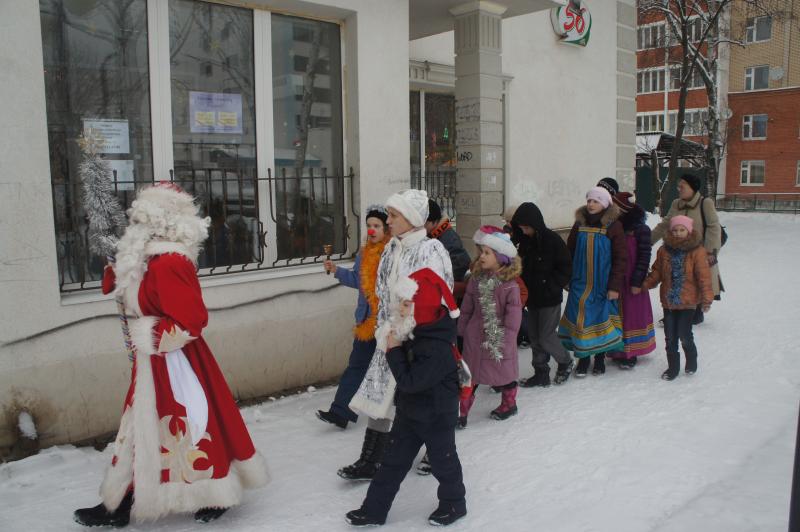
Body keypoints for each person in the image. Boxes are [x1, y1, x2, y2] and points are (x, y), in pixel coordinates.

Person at [74, 183, 268, 528]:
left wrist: (148, 333)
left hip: (176, 362)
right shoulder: (144, 258)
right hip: (150, 362)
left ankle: (212, 491)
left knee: (189, 424)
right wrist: (114, 262)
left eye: (141, 217)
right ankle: (122, 500)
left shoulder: (169, 263)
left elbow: (192, 321)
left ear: (160, 220)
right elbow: (120, 288)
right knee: (140, 427)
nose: (135, 223)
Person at [340, 189, 453, 481]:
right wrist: (385, 330)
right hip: (390, 337)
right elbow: (381, 292)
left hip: (420, 341)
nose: (388, 221)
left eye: (393, 215)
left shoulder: (432, 250)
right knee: (381, 397)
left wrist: (410, 331)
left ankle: (436, 453)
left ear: (412, 218)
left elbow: (438, 298)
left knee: (420, 400)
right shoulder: (391, 249)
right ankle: (370, 459)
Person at [345, 269, 466, 527]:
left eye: (406, 304)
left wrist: (395, 350)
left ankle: (454, 503)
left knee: (444, 463)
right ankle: (373, 510)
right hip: (410, 411)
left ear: (423, 308)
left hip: (436, 415)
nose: (400, 308)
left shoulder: (436, 346)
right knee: (392, 462)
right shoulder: (414, 330)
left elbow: (411, 381)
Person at [317, 206, 390, 429]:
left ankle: (398, 414)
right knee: (356, 366)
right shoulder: (364, 253)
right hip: (365, 322)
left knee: (390, 372)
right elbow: (359, 281)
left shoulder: (392, 253)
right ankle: (340, 411)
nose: (371, 230)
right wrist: (337, 270)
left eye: (376, 226)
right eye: (369, 225)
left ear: (386, 229)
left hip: (386, 323)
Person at [558, 186, 626, 377]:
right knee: (581, 319)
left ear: (604, 204)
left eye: (596, 201)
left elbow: (621, 258)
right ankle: (583, 357)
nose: (591, 204)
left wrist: (614, 286)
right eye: (589, 200)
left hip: (601, 284)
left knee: (599, 319)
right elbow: (569, 252)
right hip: (580, 281)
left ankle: (600, 358)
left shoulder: (613, 226)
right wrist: (567, 277)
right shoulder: (579, 223)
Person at [457, 226, 522, 426]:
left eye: (487, 253)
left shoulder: (510, 286)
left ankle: (509, 404)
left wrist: (507, 340)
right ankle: (461, 412)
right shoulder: (476, 279)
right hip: (474, 337)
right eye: (481, 252)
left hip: (498, 338)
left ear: (500, 257)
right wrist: (461, 332)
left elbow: (513, 317)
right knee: (469, 376)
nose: (481, 257)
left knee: (504, 374)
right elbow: (467, 308)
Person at [510, 202, 574, 386]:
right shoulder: (524, 242)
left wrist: (551, 286)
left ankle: (565, 361)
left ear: (535, 224)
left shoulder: (552, 240)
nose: (524, 231)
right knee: (535, 337)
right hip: (532, 298)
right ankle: (541, 372)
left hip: (550, 298)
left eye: (527, 227)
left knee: (546, 336)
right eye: (521, 228)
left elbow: (565, 268)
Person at [643, 215, 713, 380]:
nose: (678, 233)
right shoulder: (664, 251)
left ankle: (691, 360)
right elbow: (657, 272)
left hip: (688, 302)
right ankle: (673, 367)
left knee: (684, 334)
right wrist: (645, 284)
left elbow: (704, 277)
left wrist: (706, 299)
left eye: (682, 230)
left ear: (689, 231)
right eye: (675, 230)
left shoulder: (697, 252)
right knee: (670, 337)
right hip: (668, 301)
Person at [651, 174, 723, 324]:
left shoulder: (705, 203)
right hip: (677, 252)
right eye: (678, 186)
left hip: (698, 252)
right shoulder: (676, 203)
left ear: (692, 187)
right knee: (676, 281)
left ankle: (696, 312)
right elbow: (665, 225)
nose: (679, 189)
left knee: (696, 280)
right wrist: (647, 241)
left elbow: (714, 227)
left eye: (682, 186)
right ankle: (675, 312)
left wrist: (710, 251)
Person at [607, 193, 656, 369]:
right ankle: (616, 350)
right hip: (616, 278)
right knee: (616, 316)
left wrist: (637, 281)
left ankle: (630, 353)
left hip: (632, 281)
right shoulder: (613, 227)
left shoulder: (640, 229)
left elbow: (644, 257)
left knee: (631, 316)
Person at [425, 198, 471, 288]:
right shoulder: (434, 235)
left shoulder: (449, 238)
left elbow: (460, 267)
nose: (421, 227)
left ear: (434, 221)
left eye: (424, 223)